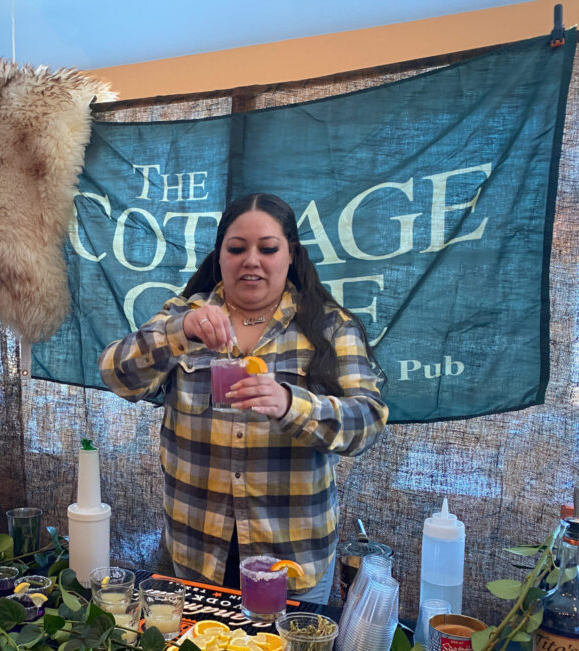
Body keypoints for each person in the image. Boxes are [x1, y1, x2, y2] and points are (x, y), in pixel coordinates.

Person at [99, 193, 388, 602]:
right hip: (197, 551)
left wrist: (290, 404)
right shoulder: (186, 316)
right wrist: (180, 332)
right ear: (220, 256)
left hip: (291, 561)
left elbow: (369, 422)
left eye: (267, 248)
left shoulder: (329, 326)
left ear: (291, 255)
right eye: (237, 249)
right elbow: (116, 373)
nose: (251, 260)